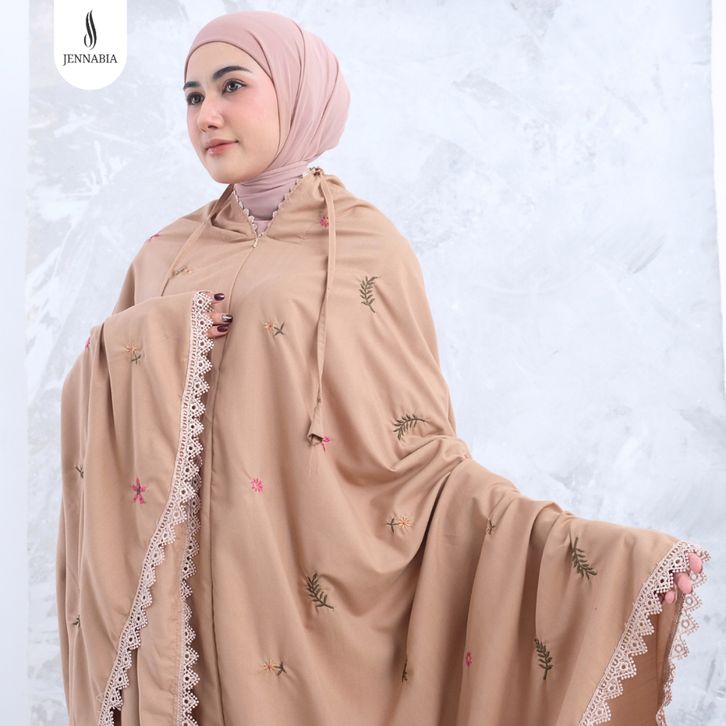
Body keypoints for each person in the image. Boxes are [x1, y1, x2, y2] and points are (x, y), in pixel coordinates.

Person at [55, 10, 710, 726]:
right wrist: (152, 337)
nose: (207, 114)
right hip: (185, 628)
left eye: (232, 86)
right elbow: (96, 416)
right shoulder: (165, 256)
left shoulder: (367, 249)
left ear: (298, 92)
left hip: (314, 614)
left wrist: (608, 559)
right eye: (192, 96)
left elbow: (423, 465)